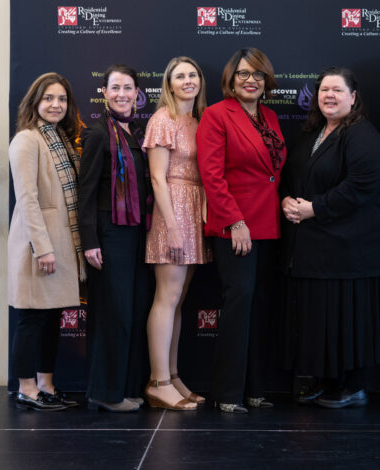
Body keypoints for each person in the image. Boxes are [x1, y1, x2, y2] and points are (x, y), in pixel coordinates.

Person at [280, 67, 380, 408]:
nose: (329, 95)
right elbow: (292, 176)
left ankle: (353, 387)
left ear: (353, 97)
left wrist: (314, 209)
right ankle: (326, 381)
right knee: (323, 322)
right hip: (319, 253)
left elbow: (362, 183)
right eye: (323, 90)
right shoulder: (313, 132)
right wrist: (286, 199)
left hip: (353, 253)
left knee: (351, 321)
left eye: (337, 90)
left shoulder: (361, 133)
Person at [196, 47, 286, 413]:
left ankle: (255, 389)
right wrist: (236, 222)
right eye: (244, 74)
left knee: (259, 305)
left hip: (268, 224)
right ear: (231, 80)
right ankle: (227, 393)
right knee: (238, 303)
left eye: (258, 75)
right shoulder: (217, 116)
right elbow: (212, 176)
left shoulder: (269, 116)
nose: (251, 80)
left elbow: (273, 170)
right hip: (236, 226)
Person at [8, 72, 84, 411]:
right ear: (35, 102)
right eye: (49, 98)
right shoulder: (27, 139)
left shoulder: (61, 139)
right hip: (37, 245)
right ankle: (26, 387)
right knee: (30, 318)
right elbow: (27, 200)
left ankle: (46, 385)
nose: (56, 105)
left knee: (52, 317)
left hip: (62, 243)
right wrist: (43, 248)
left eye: (62, 99)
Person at [79, 64, 153, 412]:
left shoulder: (138, 132)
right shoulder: (97, 134)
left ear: (137, 93)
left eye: (128, 87)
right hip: (109, 236)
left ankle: (126, 387)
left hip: (138, 233)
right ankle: (105, 394)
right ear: (105, 94)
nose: (122, 93)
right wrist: (90, 240)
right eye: (115, 88)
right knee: (114, 314)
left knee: (135, 311)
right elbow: (87, 192)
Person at [142, 56, 212, 410]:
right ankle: (157, 382)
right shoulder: (162, 119)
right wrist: (172, 227)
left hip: (194, 212)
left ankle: (172, 374)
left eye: (193, 74)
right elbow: (157, 177)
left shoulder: (198, 120)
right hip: (171, 214)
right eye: (180, 76)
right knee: (166, 298)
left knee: (178, 301)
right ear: (168, 84)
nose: (188, 80)